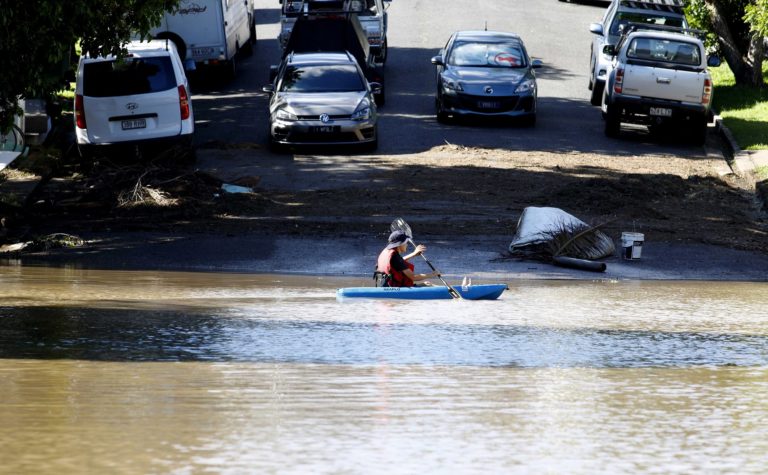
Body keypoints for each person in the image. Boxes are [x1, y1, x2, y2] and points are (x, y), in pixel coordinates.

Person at [374, 230, 440, 287]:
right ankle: (447, 291)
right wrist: (432, 274)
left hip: (384, 286)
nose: (407, 245)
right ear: (400, 244)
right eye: (406, 243)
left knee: (427, 284)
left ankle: (445, 289)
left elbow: (399, 262)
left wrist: (413, 254)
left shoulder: (388, 252)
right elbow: (414, 277)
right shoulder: (395, 257)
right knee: (428, 285)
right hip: (394, 289)